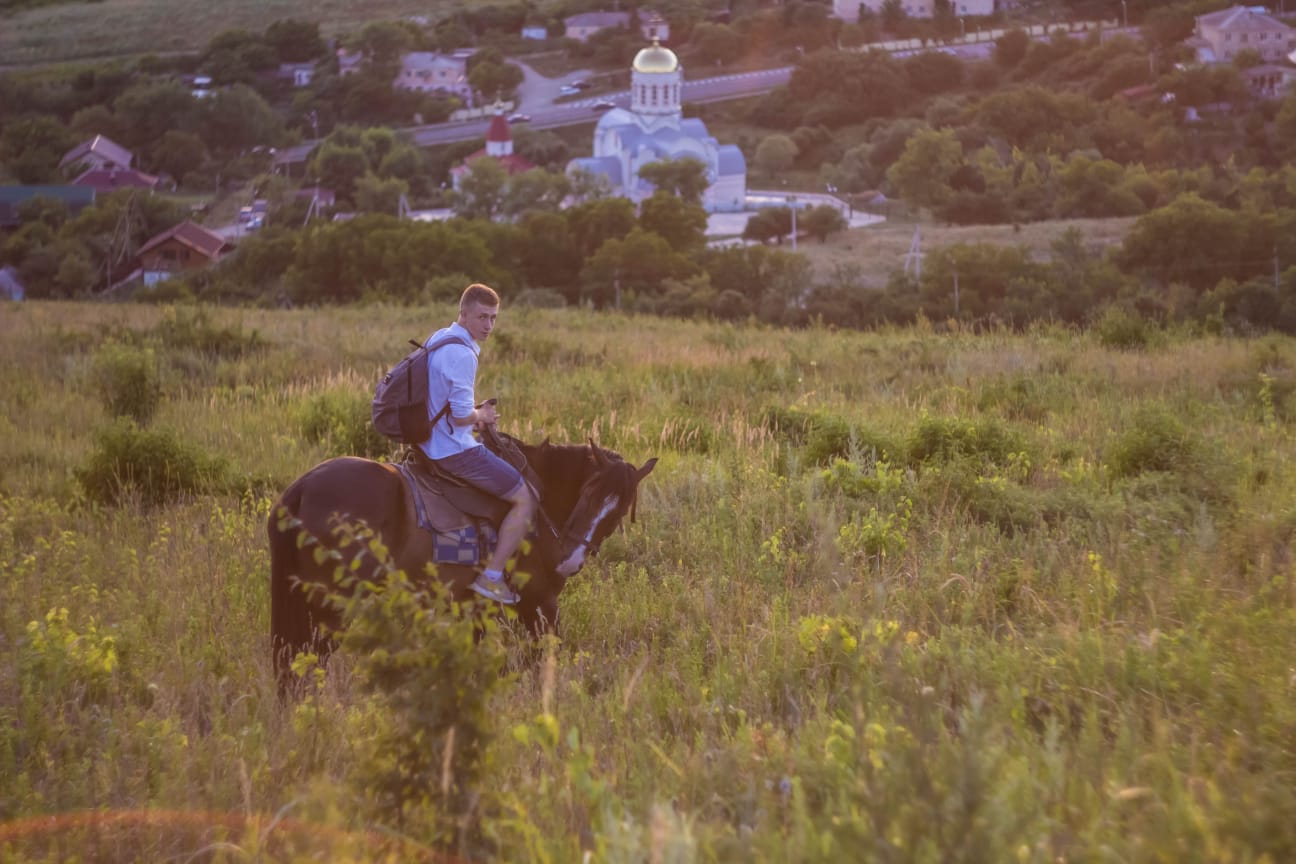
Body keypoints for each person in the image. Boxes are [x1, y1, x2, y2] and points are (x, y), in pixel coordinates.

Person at [419, 283, 536, 604]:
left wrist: (474, 413)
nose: (488, 326)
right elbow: (459, 417)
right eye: (482, 317)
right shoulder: (463, 353)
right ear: (464, 313)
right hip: (453, 450)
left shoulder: (439, 338)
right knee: (525, 499)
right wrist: (481, 413)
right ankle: (492, 577)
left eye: (494, 319)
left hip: (427, 442)